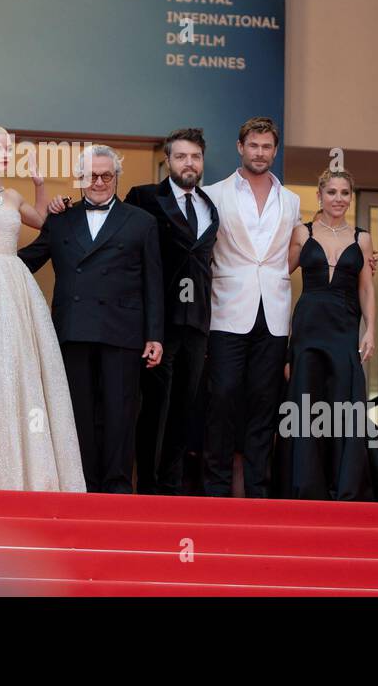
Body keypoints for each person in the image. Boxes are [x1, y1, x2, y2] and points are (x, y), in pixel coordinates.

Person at [0, 118, 84, 491]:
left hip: (16, 282)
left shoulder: (11, 197)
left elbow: (41, 221)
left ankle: (31, 469)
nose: (2, 155)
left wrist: (40, 184)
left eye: (7, 150)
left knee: (22, 365)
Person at [20, 144, 163, 494]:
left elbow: (153, 282)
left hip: (123, 332)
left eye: (106, 176)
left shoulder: (141, 222)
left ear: (116, 178)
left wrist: (155, 335)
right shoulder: (61, 218)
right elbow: (30, 259)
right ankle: (80, 487)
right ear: (80, 178)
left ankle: (116, 491)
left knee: (120, 415)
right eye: (91, 176)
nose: (98, 182)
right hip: (74, 330)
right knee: (78, 415)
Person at [201, 116, 300, 498]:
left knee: (264, 403)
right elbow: (200, 252)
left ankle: (258, 491)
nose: (260, 153)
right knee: (222, 397)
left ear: (275, 151)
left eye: (267, 147)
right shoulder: (213, 194)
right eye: (253, 146)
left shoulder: (290, 200)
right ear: (241, 147)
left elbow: (298, 249)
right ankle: (216, 488)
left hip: (273, 314)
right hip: (226, 310)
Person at [122, 128, 217, 495]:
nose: (188, 163)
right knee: (154, 409)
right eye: (181, 157)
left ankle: (171, 488)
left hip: (196, 323)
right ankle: (146, 488)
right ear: (168, 161)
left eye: (195, 156)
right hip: (157, 323)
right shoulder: (144, 197)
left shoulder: (209, 206)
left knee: (184, 409)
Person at [281, 168, 378, 500]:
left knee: (344, 406)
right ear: (319, 195)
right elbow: (277, 276)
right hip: (308, 328)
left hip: (344, 328)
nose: (338, 199)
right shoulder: (301, 233)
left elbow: (366, 289)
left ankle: (345, 488)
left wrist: (371, 331)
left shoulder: (362, 238)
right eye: (332, 192)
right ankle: (305, 487)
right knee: (305, 406)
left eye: (345, 193)